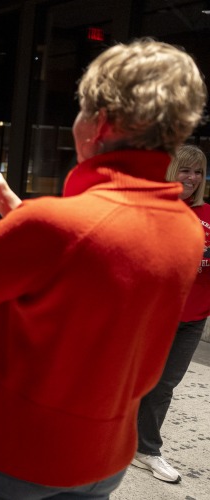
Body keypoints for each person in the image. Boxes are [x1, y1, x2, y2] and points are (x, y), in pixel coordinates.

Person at [0, 39, 206, 498]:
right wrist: (12, 205)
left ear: (99, 124)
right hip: (105, 456)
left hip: (12, 453)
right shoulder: (187, 228)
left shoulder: (56, 224)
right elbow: (87, 261)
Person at [131, 144, 209, 484]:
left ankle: (145, 449)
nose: (191, 178)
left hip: (193, 318)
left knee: (164, 385)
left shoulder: (207, 214)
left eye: (197, 172)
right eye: (184, 170)